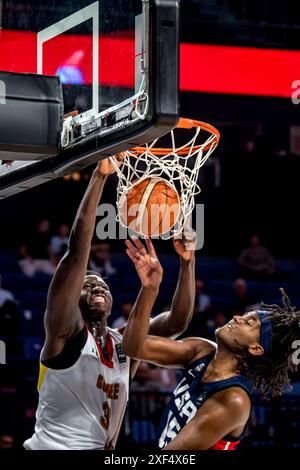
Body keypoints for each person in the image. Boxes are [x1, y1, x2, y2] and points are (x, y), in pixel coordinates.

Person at [23, 158, 195, 450]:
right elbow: (77, 254)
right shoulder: (64, 333)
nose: (96, 286)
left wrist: (187, 262)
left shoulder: (125, 343)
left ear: (113, 301)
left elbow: (177, 322)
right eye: (86, 285)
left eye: (101, 284)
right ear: (72, 300)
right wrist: (99, 178)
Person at [122, 240, 300, 450]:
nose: (237, 317)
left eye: (249, 322)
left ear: (255, 348)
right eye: (245, 315)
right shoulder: (203, 350)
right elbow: (134, 347)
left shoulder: (233, 400)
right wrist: (153, 286)